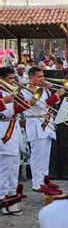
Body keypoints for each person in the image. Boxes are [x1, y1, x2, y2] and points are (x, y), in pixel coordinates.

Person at [22, 66, 65, 192]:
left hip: (46, 123)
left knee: (46, 155)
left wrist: (51, 92)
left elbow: (50, 104)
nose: (42, 79)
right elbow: (42, 105)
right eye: (39, 77)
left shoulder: (41, 88)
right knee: (37, 156)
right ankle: (36, 183)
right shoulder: (27, 89)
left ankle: (44, 179)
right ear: (31, 77)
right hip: (36, 122)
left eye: (42, 76)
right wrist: (56, 94)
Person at [0, 67, 28, 215]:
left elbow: (20, 106)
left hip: (13, 130)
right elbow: (4, 113)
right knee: (5, 167)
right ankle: (3, 199)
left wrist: (25, 102)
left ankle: (10, 196)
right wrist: (4, 101)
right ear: (2, 79)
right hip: (4, 132)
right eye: (10, 79)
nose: (13, 81)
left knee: (13, 166)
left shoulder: (9, 91)